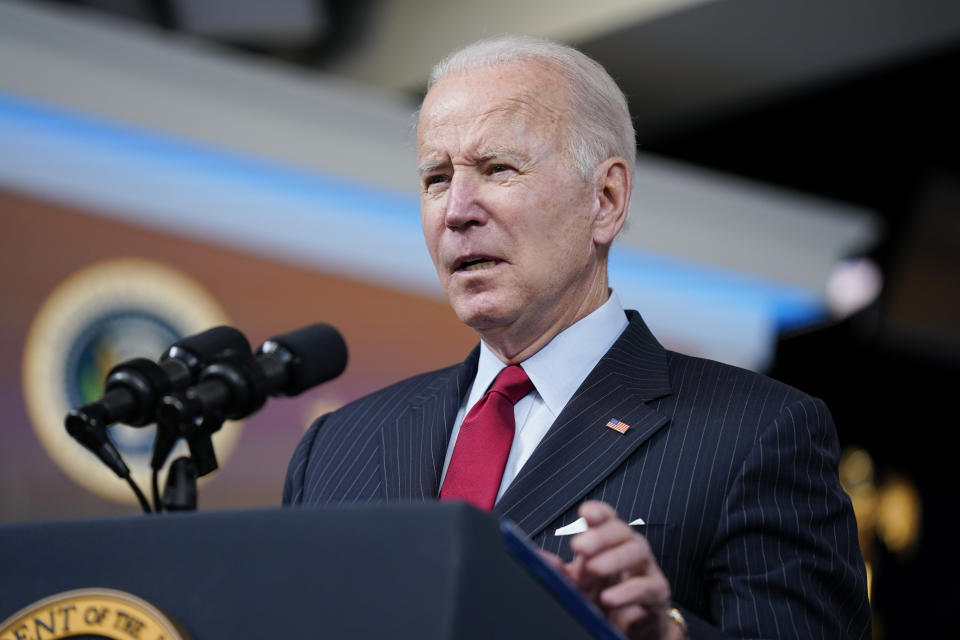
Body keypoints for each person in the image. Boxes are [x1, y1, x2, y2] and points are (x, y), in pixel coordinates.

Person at [284, 35, 870, 639]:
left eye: (497, 169)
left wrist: (663, 633)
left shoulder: (754, 433)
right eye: (436, 178)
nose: (456, 210)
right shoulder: (336, 447)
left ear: (605, 199)